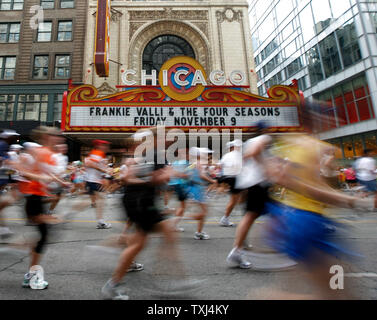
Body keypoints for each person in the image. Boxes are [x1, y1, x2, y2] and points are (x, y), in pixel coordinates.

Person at [101, 128, 186, 300]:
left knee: (144, 242)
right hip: (141, 202)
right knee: (159, 236)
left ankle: (115, 283)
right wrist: (167, 175)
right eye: (165, 137)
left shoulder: (142, 155)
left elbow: (128, 177)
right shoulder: (153, 154)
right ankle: (168, 283)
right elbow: (154, 179)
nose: (169, 140)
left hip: (136, 201)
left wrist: (166, 174)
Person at [15, 127, 68, 290]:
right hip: (32, 197)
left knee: (44, 235)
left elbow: (46, 172)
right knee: (45, 234)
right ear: (46, 136)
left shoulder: (46, 153)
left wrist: (60, 182)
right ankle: (31, 276)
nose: (59, 139)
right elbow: (23, 172)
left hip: (36, 197)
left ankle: (29, 271)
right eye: (55, 136)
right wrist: (41, 178)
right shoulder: (38, 152)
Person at [226, 122, 272, 269]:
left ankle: (239, 246)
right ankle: (237, 249)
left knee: (250, 215)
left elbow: (248, 155)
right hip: (258, 183)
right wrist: (265, 167)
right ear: (264, 130)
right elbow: (254, 153)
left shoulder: (249, 141)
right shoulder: (264, 138)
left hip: (251, 183)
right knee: (254, 214)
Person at [81, 140, 112, 229]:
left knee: (99, 200)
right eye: (105, 145)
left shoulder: (98, 154)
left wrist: (105, 173)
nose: (107, 147)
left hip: (93, 180)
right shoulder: (97, 153)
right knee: (100, 201)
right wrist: (104, 170)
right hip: (93, 181)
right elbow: (89, 163)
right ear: (99, 146)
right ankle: (101, 222)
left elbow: (90, 164)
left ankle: (101, 221)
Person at [218, 139, 243, 227]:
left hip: (228, 178)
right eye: (239, 146)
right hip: (235, 178)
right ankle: (225, 218)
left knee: (235, 200)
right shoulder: (239, 155)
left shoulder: (226, 155)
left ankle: (226, 218)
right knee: (234, 200)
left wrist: (222, 182)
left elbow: (220, 166)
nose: (240, 148)